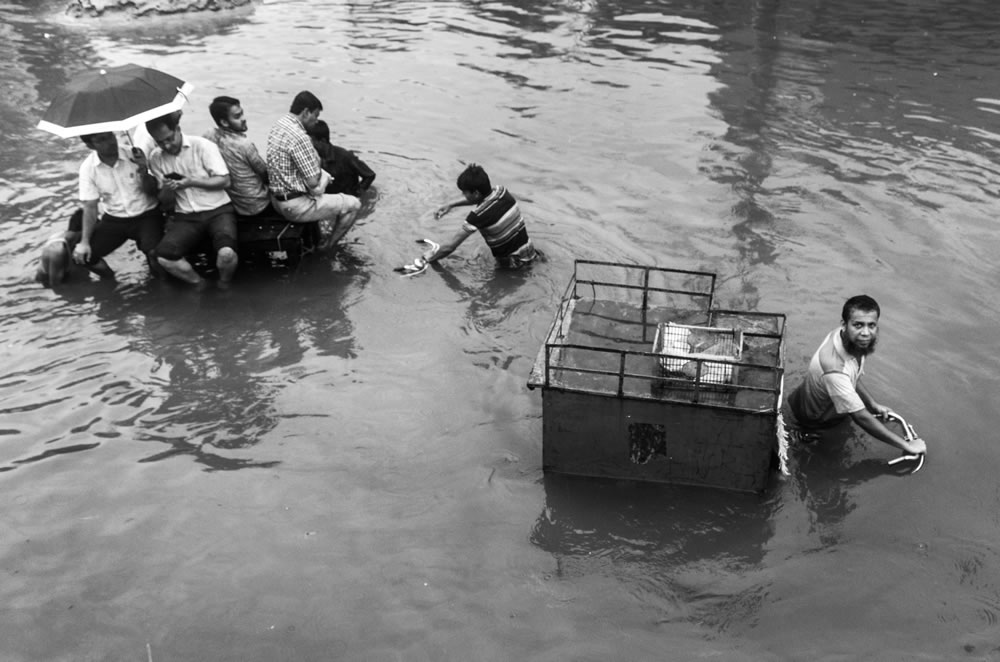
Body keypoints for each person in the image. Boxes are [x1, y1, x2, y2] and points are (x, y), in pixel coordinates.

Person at [785, 295, 927, 456]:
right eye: (858, 325)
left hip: (813, 403)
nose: (865, 333)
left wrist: (873, 405)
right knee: (826, 458)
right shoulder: (834, 368)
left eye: (871, 325)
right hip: (814, 421)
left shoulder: (847, 339)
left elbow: (853, 376)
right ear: (844, 325)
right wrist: (907, 446)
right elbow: (861, 417)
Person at [146, 112, 239, 288]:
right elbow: (165, 202)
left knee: (226, 253)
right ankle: (199, 283)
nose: (166, 145)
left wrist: (191, 182)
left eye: (169, 139)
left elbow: (225, 180)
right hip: (186, 216)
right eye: (160, 142)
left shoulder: (203, 146)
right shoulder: (155, 158)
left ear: (178, 129)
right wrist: (167, 188)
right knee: (164, 257)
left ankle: (224, 283)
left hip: (218, 210)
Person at [266, 90, 361, 249]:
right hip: (293, 205)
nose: (316, 121)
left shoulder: (279, 124)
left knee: (321, 186)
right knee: (353, 204)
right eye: (315, 116)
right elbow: (312, 182)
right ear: (305, 112)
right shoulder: (300, 137)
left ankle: (316, 236)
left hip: (276, 199)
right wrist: (324, 177)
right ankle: (328, 246)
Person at [72, 130, 164, 279]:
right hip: (115, 218)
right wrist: (84, 242)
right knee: (86, 257)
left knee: (155, 253)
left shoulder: (134, 155)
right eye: (102, 140)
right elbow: (90, 206)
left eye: (110, 136)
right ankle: (111, 281)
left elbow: (154, 192)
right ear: (90, 145)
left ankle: (162, 286)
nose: (110, 142)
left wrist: (143, 169)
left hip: (147, 213)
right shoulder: (88, 168)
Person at [424, 163, 537, 269]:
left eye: (465, 192)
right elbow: (483, 200)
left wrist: (428, 258)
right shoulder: (501, 192)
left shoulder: (477, 217)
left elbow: (450, 247)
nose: (463, 195)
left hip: (513, 265)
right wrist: (451, 205)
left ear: (476, 193)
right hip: (531, 252)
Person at [203, 95, 273, 220]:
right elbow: (265, 174)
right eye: (237, 116)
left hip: (234, 202)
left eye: (242, 113)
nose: (244, 119)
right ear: (224, 122)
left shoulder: (209, 136)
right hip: (257, 204)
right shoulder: (244, 145)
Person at [305, 119, 375, 197]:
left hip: (346, 201)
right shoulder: (310, 158)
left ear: (322, 141)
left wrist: (357, 193)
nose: (307, 145)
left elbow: (369, 175)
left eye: (311, 141)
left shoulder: (345, 157)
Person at [36, 208, 84, 287]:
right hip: (49, 283)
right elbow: (56, 286)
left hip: (56, 274)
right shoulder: (58, 250)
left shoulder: (62, 236)